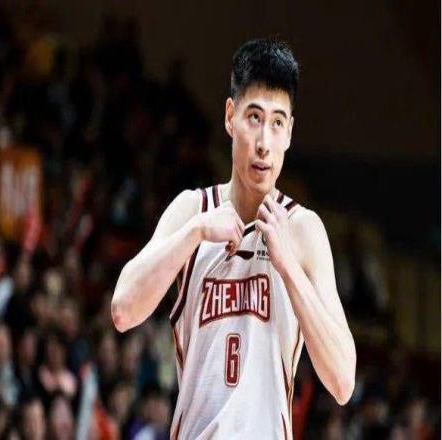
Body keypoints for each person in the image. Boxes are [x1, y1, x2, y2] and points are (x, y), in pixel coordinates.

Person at [111, 38, 356, 438]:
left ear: (290, 133)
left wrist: (288, 266)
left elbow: (343, 381)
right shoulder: (192, 209)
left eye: (277, 123)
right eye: (254, 117)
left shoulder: (303, 229)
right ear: (230, 117)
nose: (264, 143)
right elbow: (123, 310)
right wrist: (195, 232)